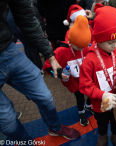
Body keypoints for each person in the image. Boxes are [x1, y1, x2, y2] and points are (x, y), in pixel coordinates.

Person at [0, 0, 80, 144]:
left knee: (45, 97)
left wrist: (50, 54)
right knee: (7, 119)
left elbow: (26, 18)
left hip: (7, 49)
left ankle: (55, 128)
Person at [79, 4, 116, 146]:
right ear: (98, 38)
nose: (115, 45)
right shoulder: (90, 60)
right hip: (100, 103)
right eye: (111, 42)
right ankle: (102, 136)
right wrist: (102, 95)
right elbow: (84, 86)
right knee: (102, 121)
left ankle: (115, 136)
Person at [44, 15, 94, 126]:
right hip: (75, 81)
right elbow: (47, 66)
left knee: (91, 93)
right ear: (71, 40)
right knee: (80, 98)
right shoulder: (61, 51)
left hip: (87, 78)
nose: (82, 49)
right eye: (79, 47)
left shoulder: (85, 47)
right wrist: (60, 74)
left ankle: (89, 106)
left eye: (84, 46)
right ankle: (81, 112)